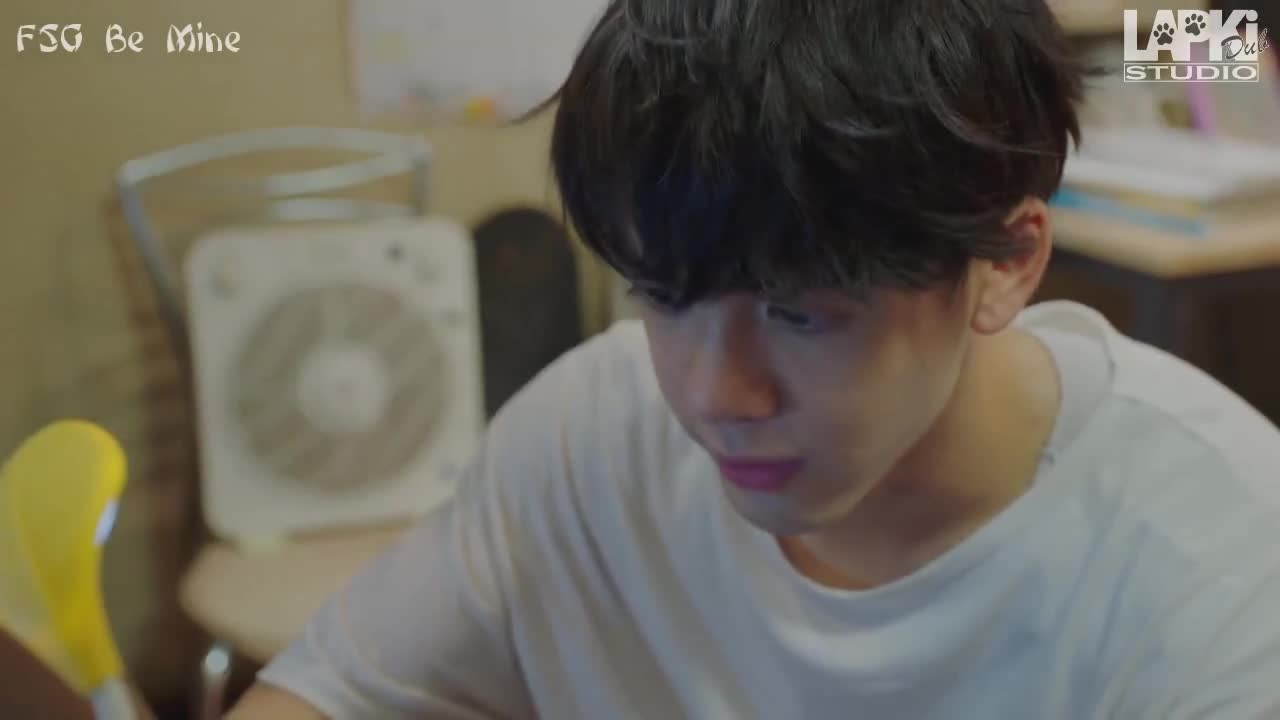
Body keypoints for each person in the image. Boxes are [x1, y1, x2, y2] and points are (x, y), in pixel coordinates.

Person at [222, 1, 1280, 717]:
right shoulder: (588, 435)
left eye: (797, 314)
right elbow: (330, 693)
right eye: (662, 296)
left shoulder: (1219, 575)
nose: (712, 393)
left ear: (1003, 263)